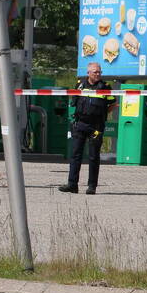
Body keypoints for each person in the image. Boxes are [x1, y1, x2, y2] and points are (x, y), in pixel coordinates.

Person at [59, 62, 116, 195]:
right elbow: (75, 101)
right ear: (88, 73)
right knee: (75, 155)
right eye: (95, 72)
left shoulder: (105, 86)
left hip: (96, 126)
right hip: (80, 124)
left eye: (99, 72)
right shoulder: (80, 85)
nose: (98, 74)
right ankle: (72, 184)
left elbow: (113, 103)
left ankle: (92, 186)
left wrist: (102, 113)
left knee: (93, 156)